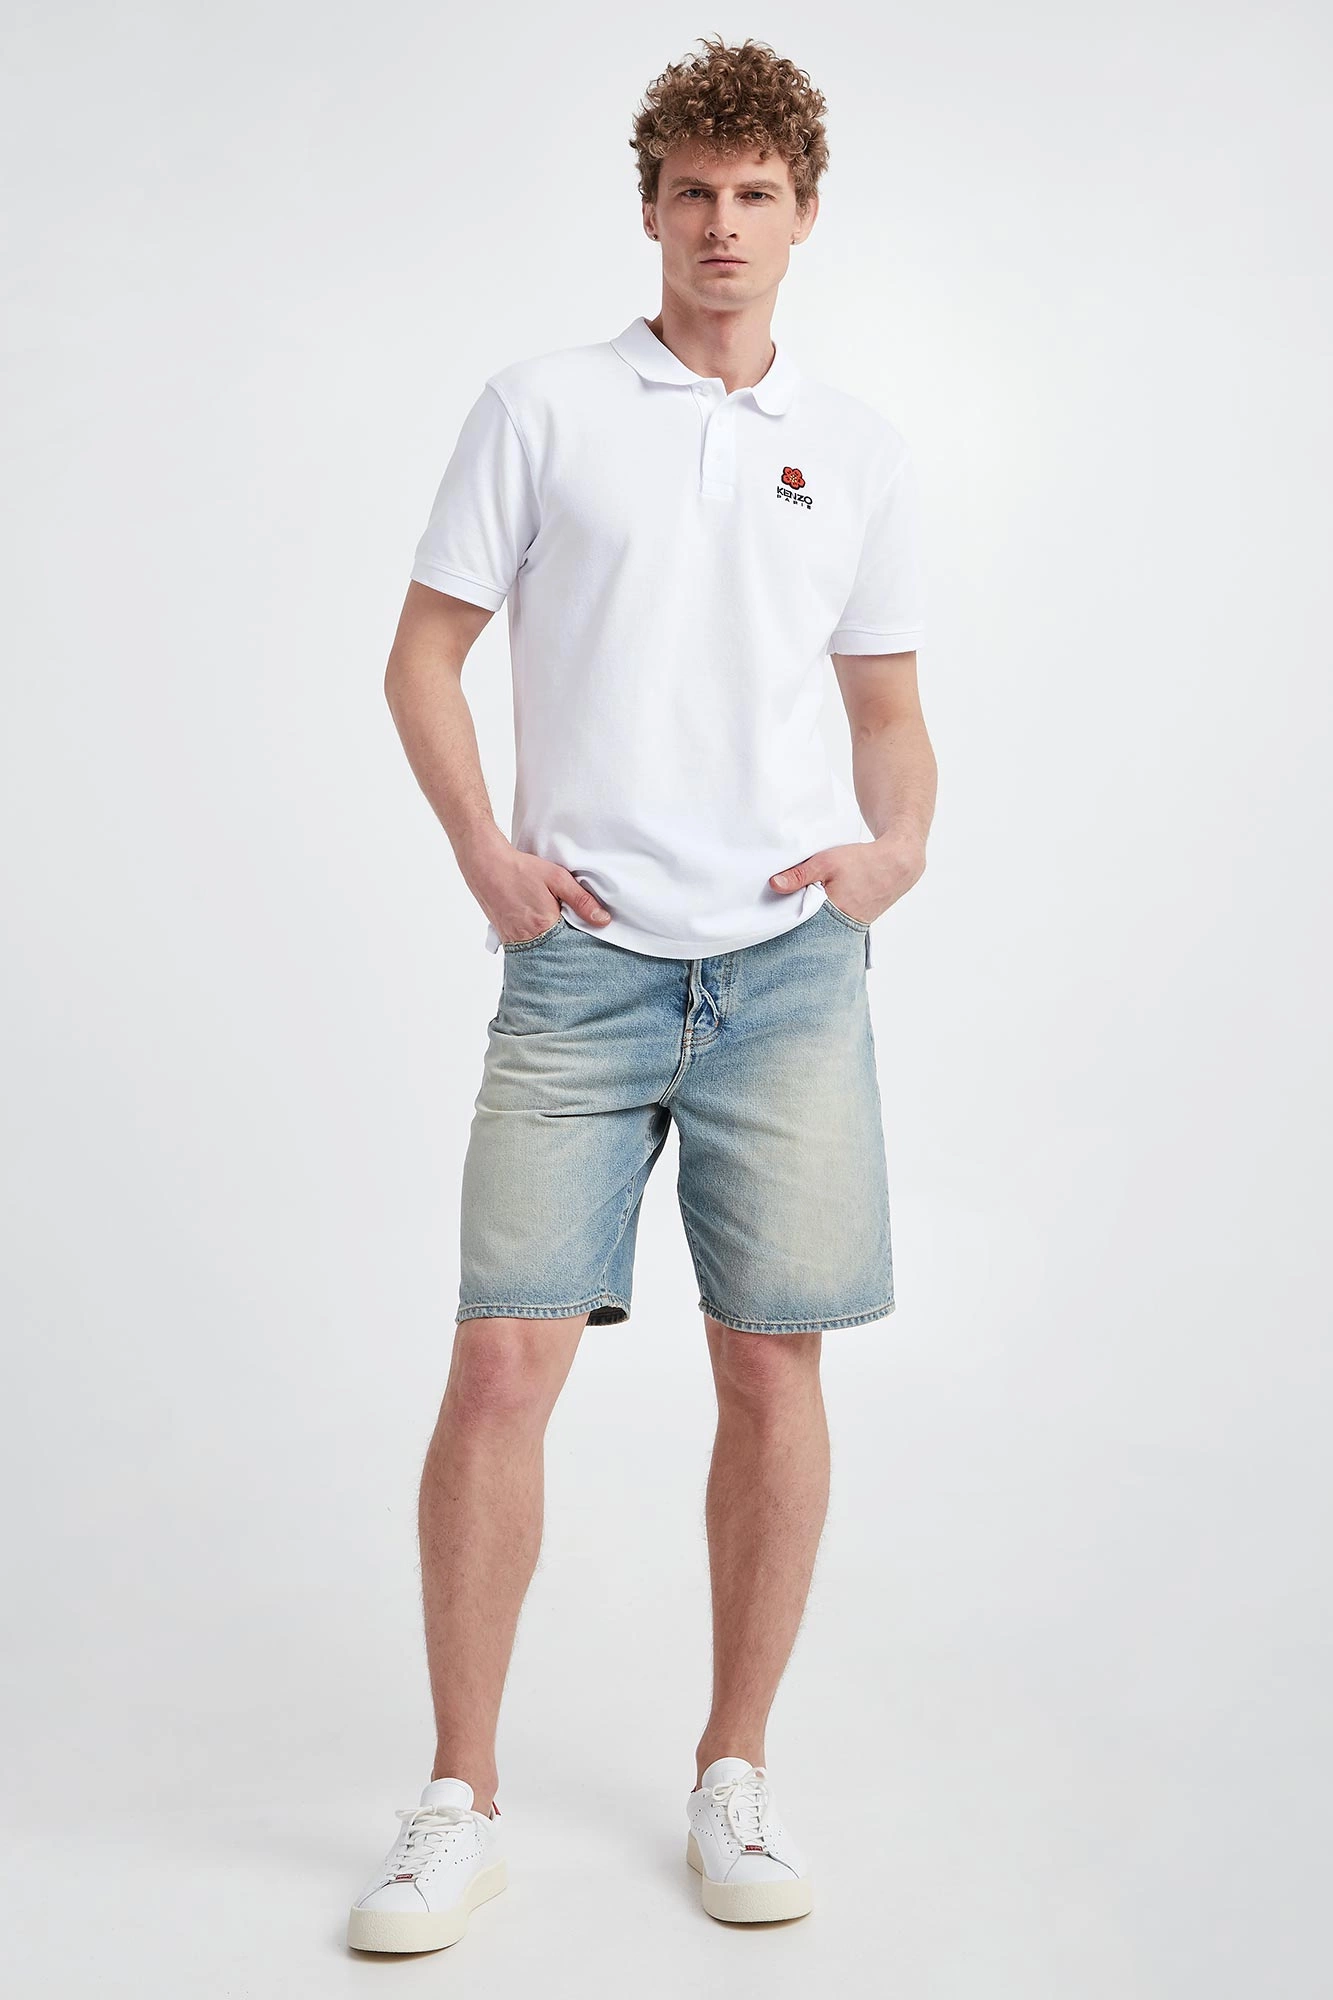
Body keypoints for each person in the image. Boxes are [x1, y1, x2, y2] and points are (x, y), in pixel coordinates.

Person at [346, 33, 937, 1953]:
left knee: (773, 1365)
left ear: (805, 214)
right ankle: (458, 1800)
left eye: (757, 194)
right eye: (694, 192)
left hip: (789, 971)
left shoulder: (856, 447)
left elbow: (887, 705)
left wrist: (897, 850)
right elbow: (423, 656)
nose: (723, 225)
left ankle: (732, 1770)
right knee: (500, 1365)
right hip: (579, 966)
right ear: (653, 209)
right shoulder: (543, 408)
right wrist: (486, 858)